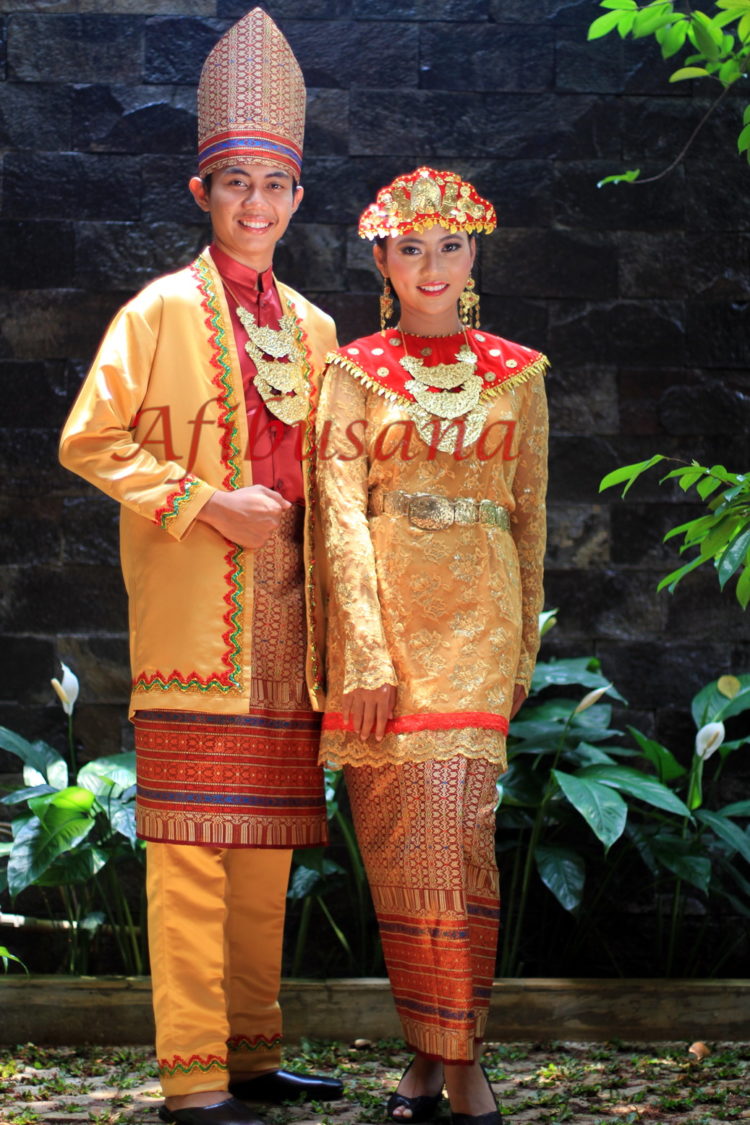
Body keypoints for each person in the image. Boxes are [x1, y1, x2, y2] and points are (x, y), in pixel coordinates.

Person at [59, 10, 342, 1125]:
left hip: (288, 632)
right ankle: (194, 1082)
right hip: (191, 632)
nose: (257, 205)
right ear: (203, 194)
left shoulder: (321, 330)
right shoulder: (159, 309)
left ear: (298, 198)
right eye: (237, 184)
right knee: (189, 862)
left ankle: (255, 1058)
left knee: (265, 857)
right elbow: (91, 438)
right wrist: (206, 502)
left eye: (275, 185)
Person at [316, 167, 549, 1125]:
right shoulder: (352, 371)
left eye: (450, 246)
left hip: (481, 629)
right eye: (411, 248)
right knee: (402, 846)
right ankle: (428, 1052)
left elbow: (531, 516)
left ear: (475, 254)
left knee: (462, 837)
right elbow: (336, 518)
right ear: (382, 259)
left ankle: (463, 1062)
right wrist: (362, 651)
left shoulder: (523, 374)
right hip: (390, 633)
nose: (433, 266)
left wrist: (524, 642)